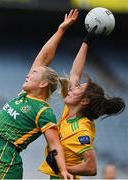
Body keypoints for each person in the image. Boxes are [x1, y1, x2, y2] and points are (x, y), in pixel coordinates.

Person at [0, 9, 79, 180]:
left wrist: (63, 170)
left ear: (43, 83)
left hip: (5, 158)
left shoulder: (43, 111)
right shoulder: (24, 94)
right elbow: (43, 58)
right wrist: (61, 30)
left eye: (34, 73)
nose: (28, 74)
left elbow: (54, 144)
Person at [33, 11, 125, 179]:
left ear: (84, 100)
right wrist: (87, 41)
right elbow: (75, 73)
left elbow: (91, 168)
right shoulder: (70, 113)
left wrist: (62, 167)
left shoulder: (81, 130)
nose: (72, 87)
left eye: (77, 89)